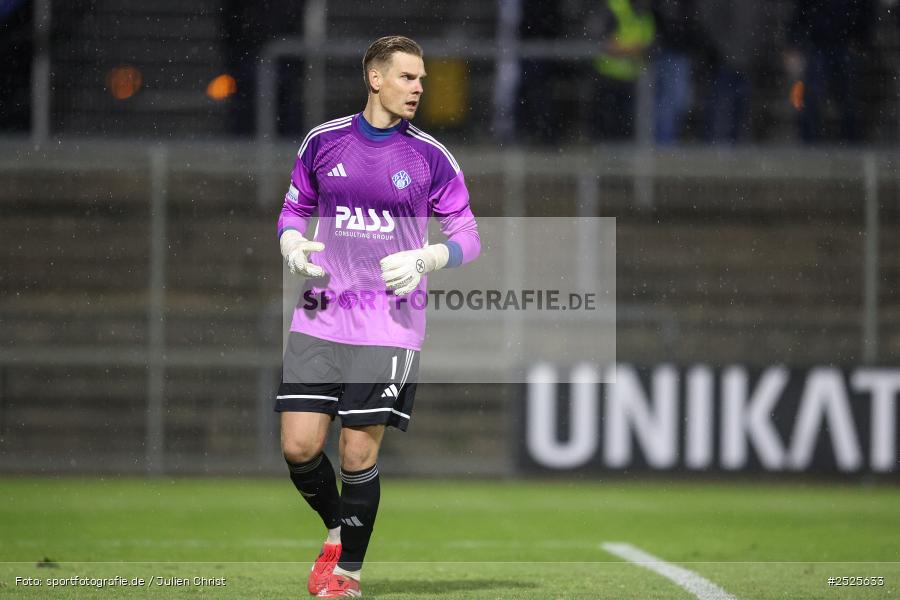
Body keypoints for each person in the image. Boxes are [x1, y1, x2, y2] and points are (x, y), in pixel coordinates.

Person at [275, 36, 481, 598]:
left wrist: (429, 257)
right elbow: (293, 208)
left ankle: (348, 575)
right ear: (375, 78)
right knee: (299, 447)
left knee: (357, 451)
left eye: (421, 79)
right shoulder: (324, 142)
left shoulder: (430, 156)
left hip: (390, 321)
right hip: (322, 312)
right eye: (408, 77)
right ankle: (337, 528)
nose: (418, 88)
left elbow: (468, 235)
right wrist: (291, 242)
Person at [785, 0, 874, 143]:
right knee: (813, 96)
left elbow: (865, 11)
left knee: (848, 98)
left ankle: (849, 140)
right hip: (818, 43)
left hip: (845, 43)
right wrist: (794, 42)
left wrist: (861, 40)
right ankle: (810, 140)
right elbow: (800, 12)